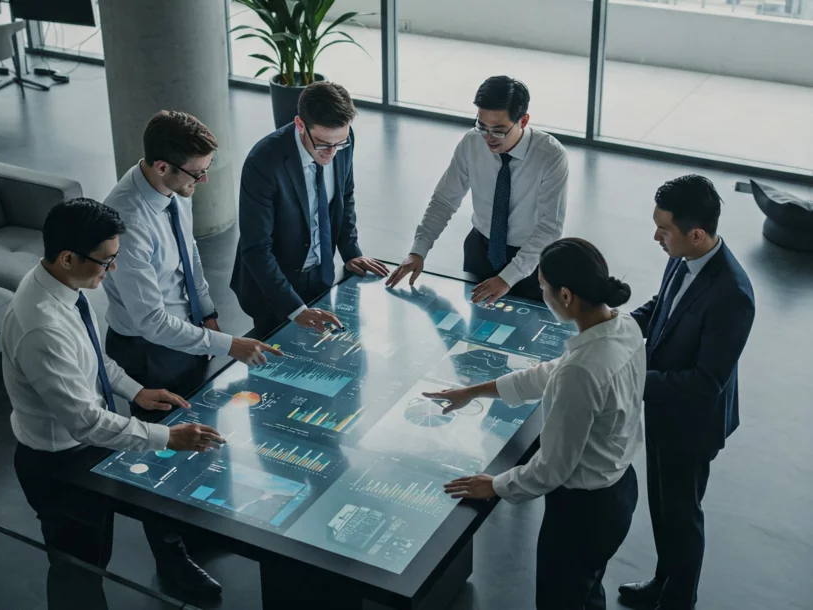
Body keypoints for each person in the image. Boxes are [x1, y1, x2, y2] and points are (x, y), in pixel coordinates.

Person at [3, 199, 226, 607]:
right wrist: (167, 437)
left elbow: (92, 355)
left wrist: (134, 390)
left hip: (82, 450)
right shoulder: (42, 329)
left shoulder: (62, 285)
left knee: (93, 558)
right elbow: (85, 422)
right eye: (106, 262)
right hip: (59, 465)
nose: (114, 271)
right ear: (69, 257)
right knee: (79, 574)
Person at [101, 110, 281, 597]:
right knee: (159, 448)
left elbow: (190, 258)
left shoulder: (171, 191)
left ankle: (197, 525)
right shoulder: (128, 222)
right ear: (162, 166)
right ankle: (172, 555)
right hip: (147, 353)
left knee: (199, 432)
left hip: (188, 337)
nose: (202, 181)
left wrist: (208, 314)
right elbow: (150, 323)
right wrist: (229, 345)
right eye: (197, 173)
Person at [425, 237, 645, 609]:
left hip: (583, 514)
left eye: (542, 288)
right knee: (586, 591)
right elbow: (549, 374)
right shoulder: (622, 326)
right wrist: (474, 390)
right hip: (620, 489)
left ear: (565, 296)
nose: (540, 294)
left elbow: (551, 469)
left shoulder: (582, 371)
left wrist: (494, 485)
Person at [619, 175, 755, 610]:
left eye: (664, 229)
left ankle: (678, 602)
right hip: (662, 411)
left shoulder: (732, 296)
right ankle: (663, 582)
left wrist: (628, 379)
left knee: (683, 516)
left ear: (696, 234)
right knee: (664, 508)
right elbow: (664, 306)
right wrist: (615, 327)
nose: (656, 236)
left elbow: (704, 384)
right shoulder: (684, 256)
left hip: (691, 426)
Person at [386, 75, 568, 304]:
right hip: (481, 250)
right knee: (477, 331)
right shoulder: (471, 143)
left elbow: (548, 229)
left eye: (499, 130)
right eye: (482, 126)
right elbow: (444, 201)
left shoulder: (550, 156)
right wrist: (418, 250)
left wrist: (507, 278)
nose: (488, 138)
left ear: (523, 121)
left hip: (532, 261)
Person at [231, 81, 389, 338]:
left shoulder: (340, 141)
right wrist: (295, 309)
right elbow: (256, 248)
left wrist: (350, 251)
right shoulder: (263, 162)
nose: (332, 153)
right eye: (324, 144)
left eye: (340, 143)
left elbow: (344, 196)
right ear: (300, 125)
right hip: (271, 290)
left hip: (320, 275)